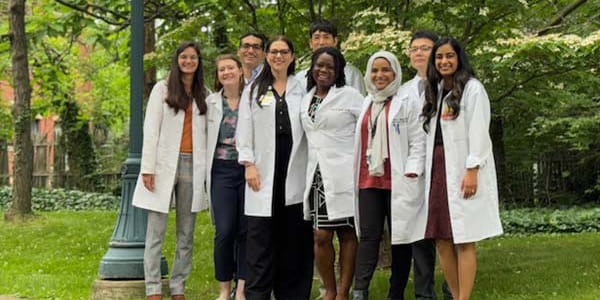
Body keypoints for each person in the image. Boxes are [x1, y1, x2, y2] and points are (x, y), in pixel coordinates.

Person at [421, 37, 503, 300]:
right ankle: (455, 295)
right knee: (442, 238)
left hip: (462, 168)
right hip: (438, 170)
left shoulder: (473, 89)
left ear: (459, 59)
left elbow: (479, 132)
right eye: (439, 57)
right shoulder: (435, 91)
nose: (444, 61)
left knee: (464, 238)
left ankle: (463, 298)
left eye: (449, 56)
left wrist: (472, 170)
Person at [236, 35, 314, 300]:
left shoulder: (302, 88)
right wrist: (248, 164)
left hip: (295, 169)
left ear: (292, 56)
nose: (278, 56)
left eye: (284, 52)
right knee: (260, 239)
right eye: (273, 51)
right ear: (267, 56)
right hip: (263, 172)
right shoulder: (254, 88)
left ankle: (292, 294)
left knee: (294, 239)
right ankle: (257, 294)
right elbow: (244, 130)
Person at [132, 41, 208, 300]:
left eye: (193, 57)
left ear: (199, 62)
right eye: (184, 57)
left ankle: (178, 287)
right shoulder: (162, 89)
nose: (188, 61)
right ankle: (153, 288)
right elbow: (150, 129)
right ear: (177, 60)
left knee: (186, 233)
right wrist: (147, 168)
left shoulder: (205, 94)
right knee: (156, 231)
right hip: (164, 165)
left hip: (192, 165)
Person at [300, 47, 363, 300]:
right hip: (317, 176)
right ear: (312, 68)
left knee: (347, 233)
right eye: (319, 65)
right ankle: (330, 290)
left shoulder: (350, 96)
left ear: (338, 72)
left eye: (330, 67)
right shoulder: (307, 98)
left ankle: (343, 292)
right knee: (321, 235)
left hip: (345, 173)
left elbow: (367, 128)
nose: (323, 70)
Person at [352, 51, 413, 300]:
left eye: (385, 70)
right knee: (368, 236)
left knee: (400, 237)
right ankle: (360, 291)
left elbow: (416, 141)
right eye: (374, 70)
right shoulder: (366, 102)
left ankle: (395, 292)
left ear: (395, 73)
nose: (379, 75)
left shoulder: (405, 101)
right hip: (368, 180)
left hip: (397, 178)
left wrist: (412, 171)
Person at [401, 31, 453, 300]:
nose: (419, 52)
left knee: (447, 228)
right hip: (411, 168)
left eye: (425, 48)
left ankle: (452, 287)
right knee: (419, 232)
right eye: (414, 48)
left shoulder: (450, 86)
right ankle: (424, 291)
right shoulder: (402, 91)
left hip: (442, 165)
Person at [206, 54, 247, 300]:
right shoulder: (210, 102)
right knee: (224, 230)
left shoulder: (253, 99)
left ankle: (241, 289)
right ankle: (223, 289)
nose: (226, 72)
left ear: (240, 71)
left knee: (245, 230)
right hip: (220, 170)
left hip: (246, 169)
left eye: (231, 67)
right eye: (222, 69)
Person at [296, 19, 366, 95]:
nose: (321, 42)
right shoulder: (300, 78)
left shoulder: (352, 73)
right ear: (310, 43)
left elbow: (361, 104)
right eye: (317, 38)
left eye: (326, 37)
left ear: (335, 41)